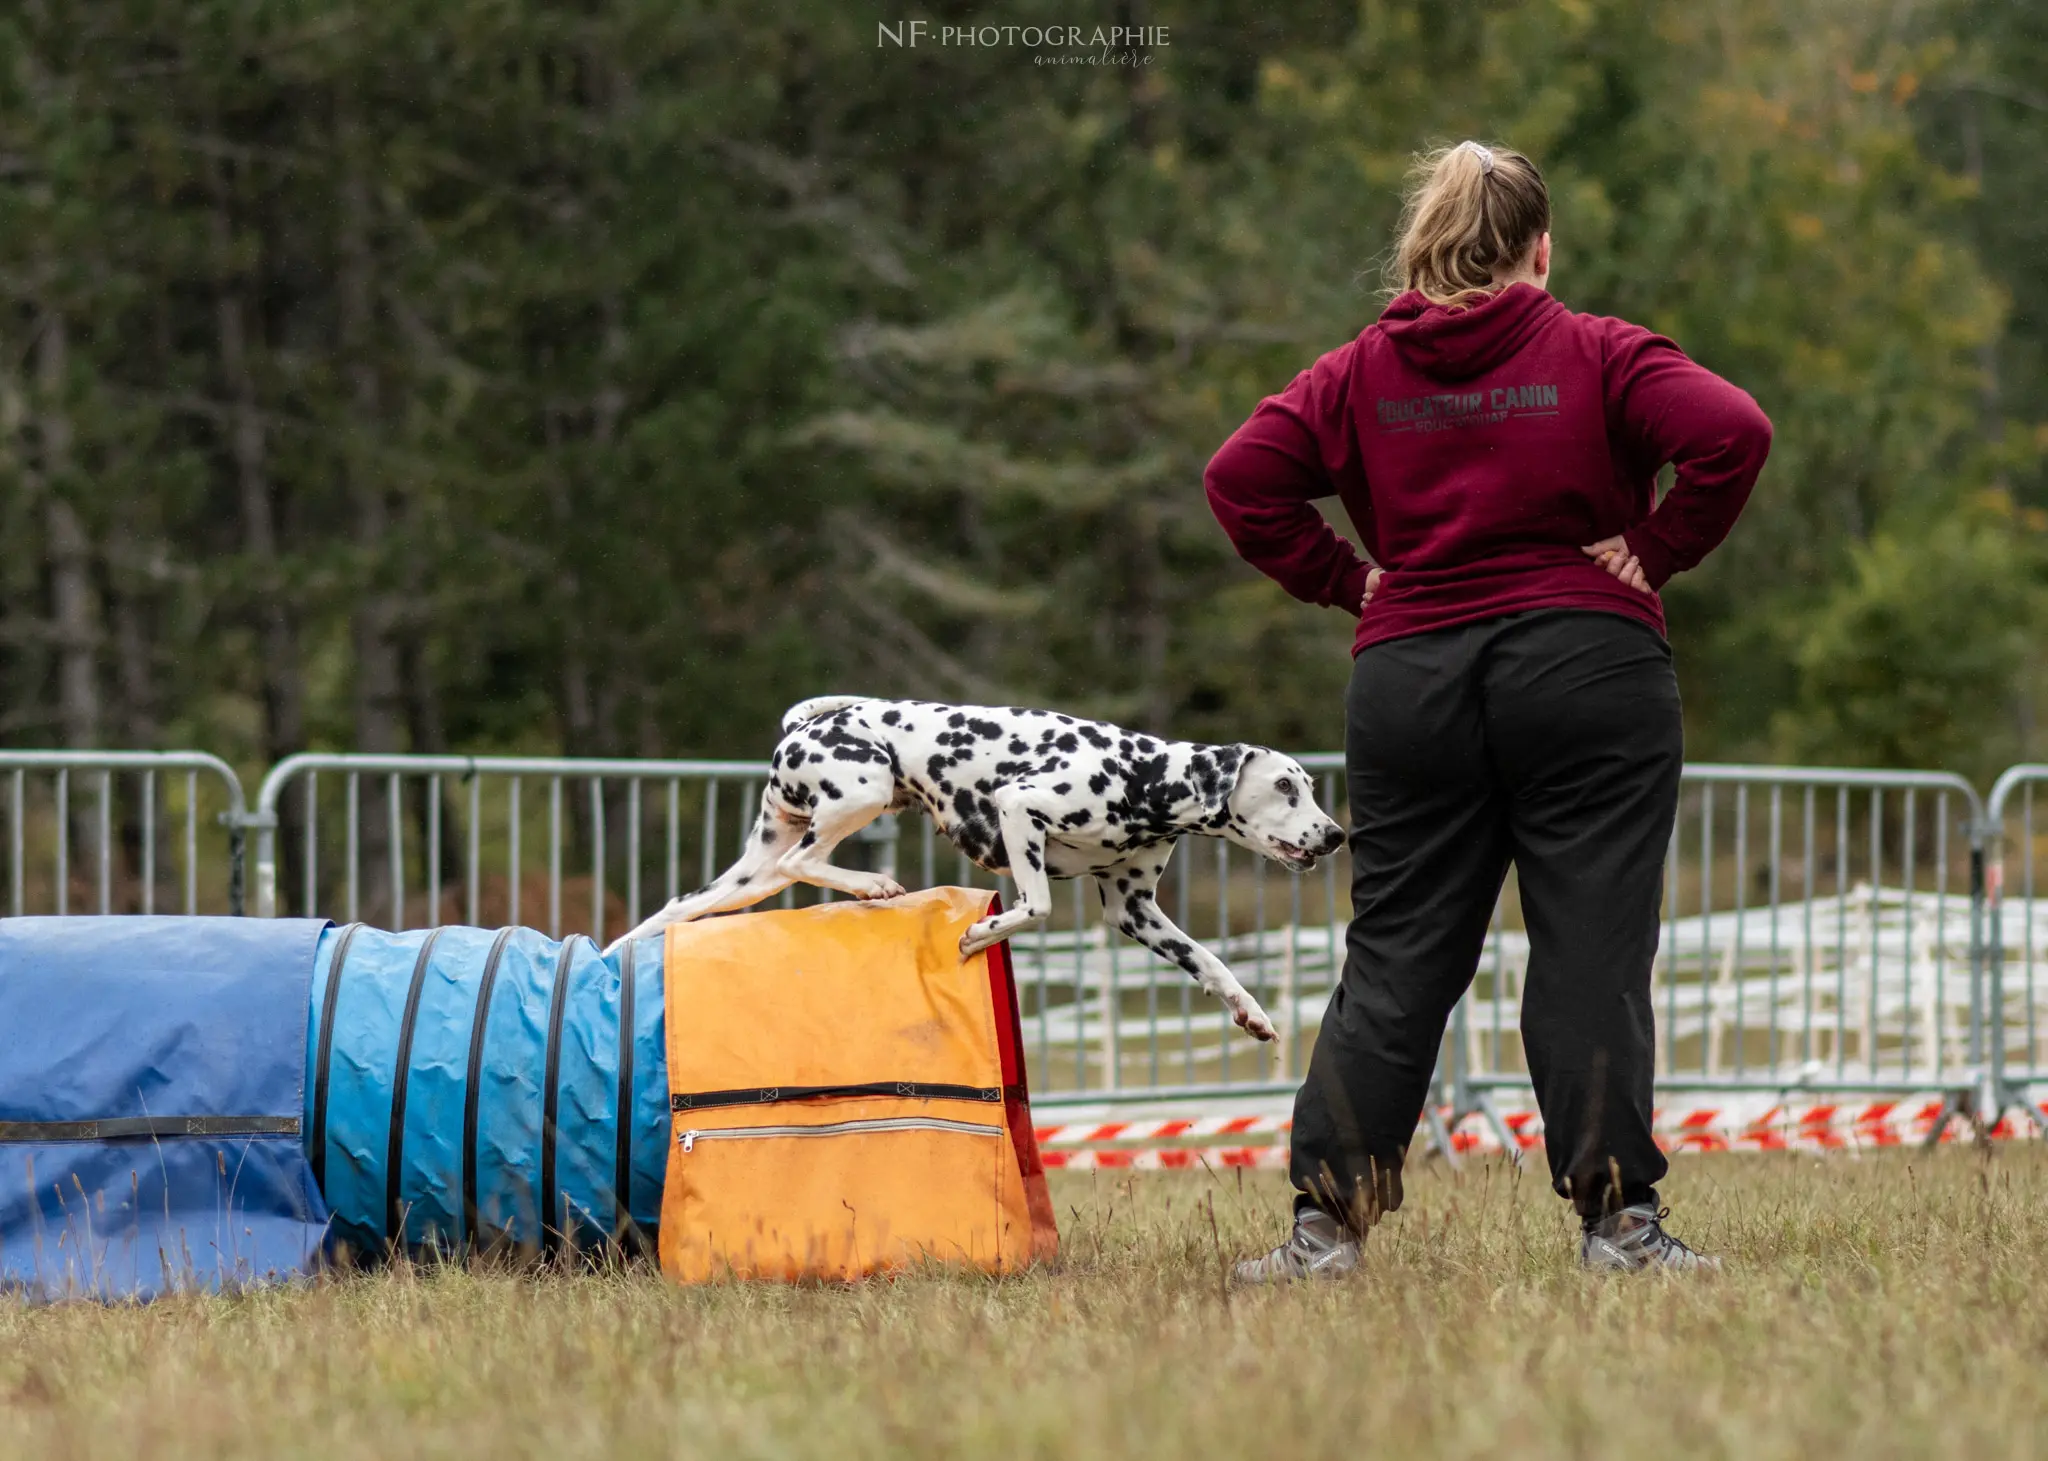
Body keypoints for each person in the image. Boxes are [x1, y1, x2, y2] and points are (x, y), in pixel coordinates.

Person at [1205, 140, 1771, 1278]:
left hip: (1410, 681)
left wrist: (1347, 578)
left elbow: (1239, 476)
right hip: (1585, 672)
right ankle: (1617, 1226)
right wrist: (1657, 549)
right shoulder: (1598, 351)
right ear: (1539, 250)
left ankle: (1322, 1230)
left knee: (1399, 951)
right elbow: (1732, 432)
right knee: (1588, 949)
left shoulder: (1358, 373)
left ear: (1420, 253)